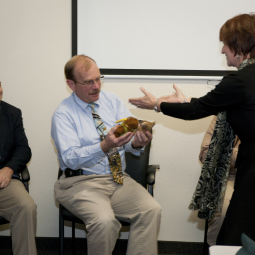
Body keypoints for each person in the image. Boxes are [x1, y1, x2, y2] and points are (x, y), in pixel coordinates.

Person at [129, 13, 255, 245]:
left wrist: (156, 105)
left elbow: (196, 111)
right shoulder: (245, 82)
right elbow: (215, 103)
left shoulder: (240, 81)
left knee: (236, 238)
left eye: (225, 44)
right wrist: (186, 99)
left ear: (239, 44)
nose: (222, 50)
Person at [51, 55, 161, 255]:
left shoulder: (112, 101)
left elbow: (127, 143)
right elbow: (70, 159)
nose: (96, 86)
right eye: (88, 82)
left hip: (117, 178)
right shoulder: (63, 114)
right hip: (80, 183)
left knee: (150, 210)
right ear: (71, 84)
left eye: (98, 78)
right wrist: (104, 146)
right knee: (104, 222)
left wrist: (136, 143)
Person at [0, 82, 37, 255]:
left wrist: (9, 169)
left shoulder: (12, 113)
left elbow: (24, 149)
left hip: (3, 181)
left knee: (25, 206)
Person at [199, 116, 240, 246]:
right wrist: (243, 154)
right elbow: (206, 154)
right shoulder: (225, 115)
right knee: (223, 210)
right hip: (230, 176)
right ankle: (216, 249)